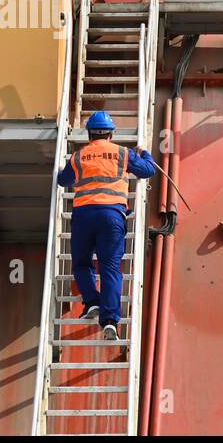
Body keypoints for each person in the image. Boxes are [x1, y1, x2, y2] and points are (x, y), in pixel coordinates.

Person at [57, 110, 158, 340]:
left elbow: (63, 180)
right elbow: (148, 170)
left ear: (89, 135)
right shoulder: (122, 153)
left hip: (83, 216)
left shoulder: (78, 157)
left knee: (82, 263)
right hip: (112, 216)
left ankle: (91, 301)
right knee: (110, 267)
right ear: (111, 134)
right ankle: (110, 320)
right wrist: (145, 153)